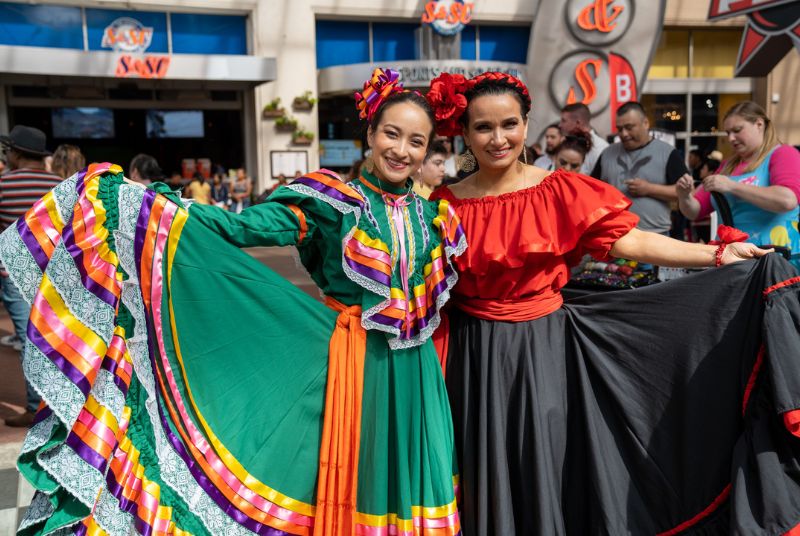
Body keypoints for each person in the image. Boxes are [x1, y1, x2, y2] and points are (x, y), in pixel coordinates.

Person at [2, 68, 465, 535]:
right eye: (391, 134)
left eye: (416, 141)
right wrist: (160, 209)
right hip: (350, 367)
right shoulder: (333, 200)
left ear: (430, 150)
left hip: (417, 376)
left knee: (412, 478)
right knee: (335, 475)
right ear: (369, 132)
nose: (401, 150)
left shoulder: (438, 217)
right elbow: (247, 227)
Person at [426, 71, 800, 535]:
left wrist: (718, 254)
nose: (497, 138)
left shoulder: (559, 189)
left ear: (527, 124)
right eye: (483, 127)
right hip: (471, 356)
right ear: (463, 133)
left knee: (543, 459)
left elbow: (630, 241)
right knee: (482, 462)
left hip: (542, 351)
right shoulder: (442, 205)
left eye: (509, 124)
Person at [677, 101, 800, 269]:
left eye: (737, 130)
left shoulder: (783, 154)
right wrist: (684, 196)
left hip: (775, 260)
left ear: (759, 124)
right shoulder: (727, 166)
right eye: (728, 133)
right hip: (734, 261)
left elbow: (787, 200)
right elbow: (695, 211)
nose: (731, 138)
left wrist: (732, 186)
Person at [0, 125, 63, 427]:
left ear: (15, 153)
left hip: (14, 273)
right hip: (56, 272)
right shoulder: (61, 184)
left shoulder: (3, 184)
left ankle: (36, 407)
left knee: (30, 338)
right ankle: (66, 406)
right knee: (60, 337)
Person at [591, 101, 688, 236]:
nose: (624, 134)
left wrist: (649, 189)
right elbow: (592, 190)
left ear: (646, 123)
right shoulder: (607, 153)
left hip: (655, 235)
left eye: (629, 127)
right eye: (619, 129)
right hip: (614, 236)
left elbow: (687, 193)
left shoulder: (667, 152)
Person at [559, 102, 608, 174]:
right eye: (563, 162)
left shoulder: (600, 148)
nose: (560, 125)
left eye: (564, 121)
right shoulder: (565, 142)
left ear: (578, 122)